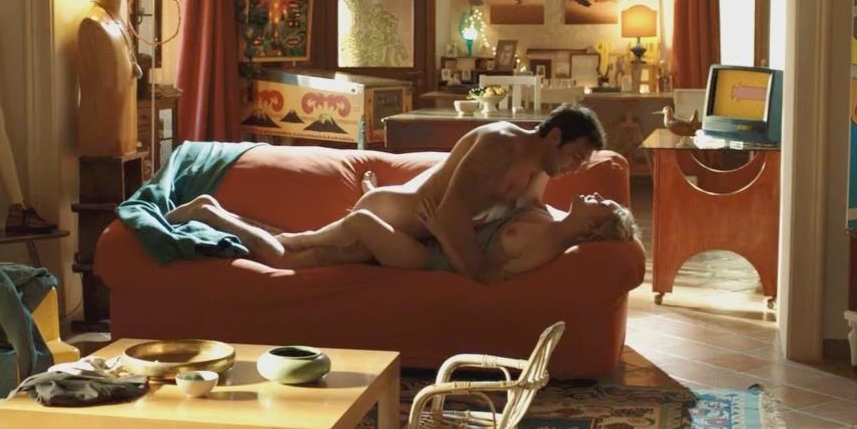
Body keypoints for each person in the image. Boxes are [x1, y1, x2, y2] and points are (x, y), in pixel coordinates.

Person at [248, 104, 605, 283]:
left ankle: (260, 235)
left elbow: (534, 210)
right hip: (391, 216)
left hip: (417, 229)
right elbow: (450, 216)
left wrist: (582, 226)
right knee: (298, 257)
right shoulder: (499, 144)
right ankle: (241, 232)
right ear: (555, 136)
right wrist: (481, 275)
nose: (575, 168)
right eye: (576, 157)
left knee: (306, 254)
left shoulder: (540, 169)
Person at [167, 191, 637, 283]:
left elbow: (486, 275)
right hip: (424, 242)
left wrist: (442, 231)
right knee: (299, 253)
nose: (595, 194)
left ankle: (212, 213)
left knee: (301, 250)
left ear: (593, 227)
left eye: (602, 203)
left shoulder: (549, 245)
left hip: (427, 259)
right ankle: (215, 213)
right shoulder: (547, 213)